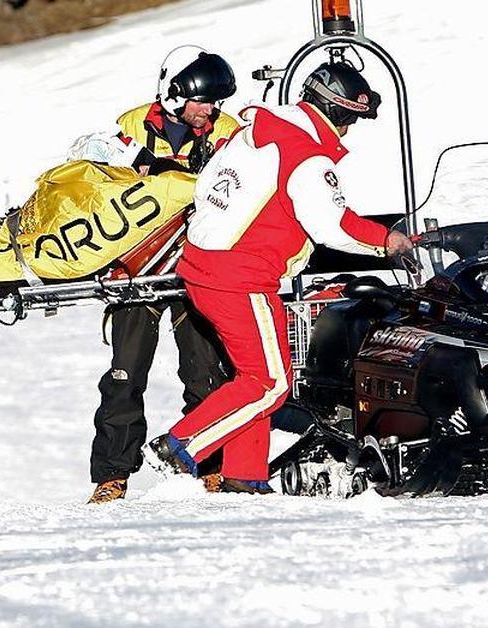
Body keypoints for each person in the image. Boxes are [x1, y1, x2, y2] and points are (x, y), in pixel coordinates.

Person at [144, 62, 414, 493]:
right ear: (337, 112)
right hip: (240, 275)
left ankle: (245, 475)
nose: (349, 131)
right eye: (351, 119)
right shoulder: (305, 154)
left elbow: (208, 189)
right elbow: (332, 226)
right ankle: (181, 445)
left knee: (251, 375)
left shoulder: (252, 132)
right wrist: (389, 241)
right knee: (271, 383)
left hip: (204, 266)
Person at [86, 46, 241, 504]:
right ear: (175, 94)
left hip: (197, 269)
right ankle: (112, 475)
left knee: (205, 371)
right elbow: (91, 172)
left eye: (215, 102)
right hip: (138, 271)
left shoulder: (228, 134)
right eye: (203, 101)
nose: (210, 110)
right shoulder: (131, 127)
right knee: (124, 376)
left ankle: (209, 465)